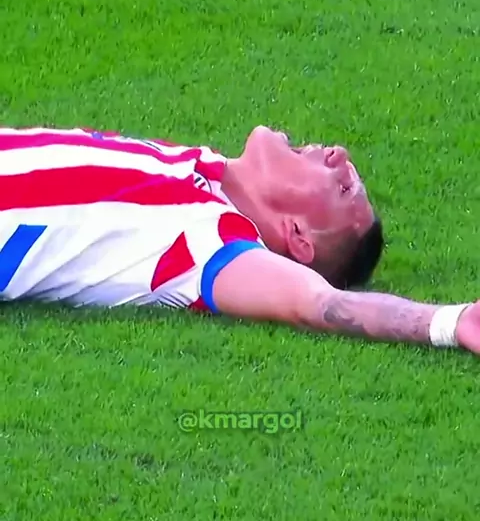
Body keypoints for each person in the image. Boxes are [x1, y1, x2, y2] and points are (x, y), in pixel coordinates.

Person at [0, 125, 478, 354]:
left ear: (297, 236)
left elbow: (317, 303)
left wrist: (448, 321)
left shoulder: (210, 241)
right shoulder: (202, 168)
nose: (338, 153)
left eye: (341, 187)